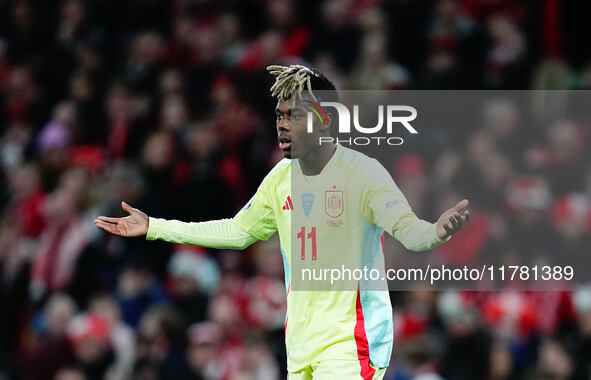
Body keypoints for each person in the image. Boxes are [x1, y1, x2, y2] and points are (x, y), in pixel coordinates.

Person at [94, 64, 470, 379]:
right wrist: (155, 226)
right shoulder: (279, 178)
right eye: (281, 116)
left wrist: (436, 230)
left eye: (296, 116)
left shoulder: (364, 174)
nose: (284, 126)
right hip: (300, 345)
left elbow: (408, 230)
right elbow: (237, 231)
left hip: (353, 342)